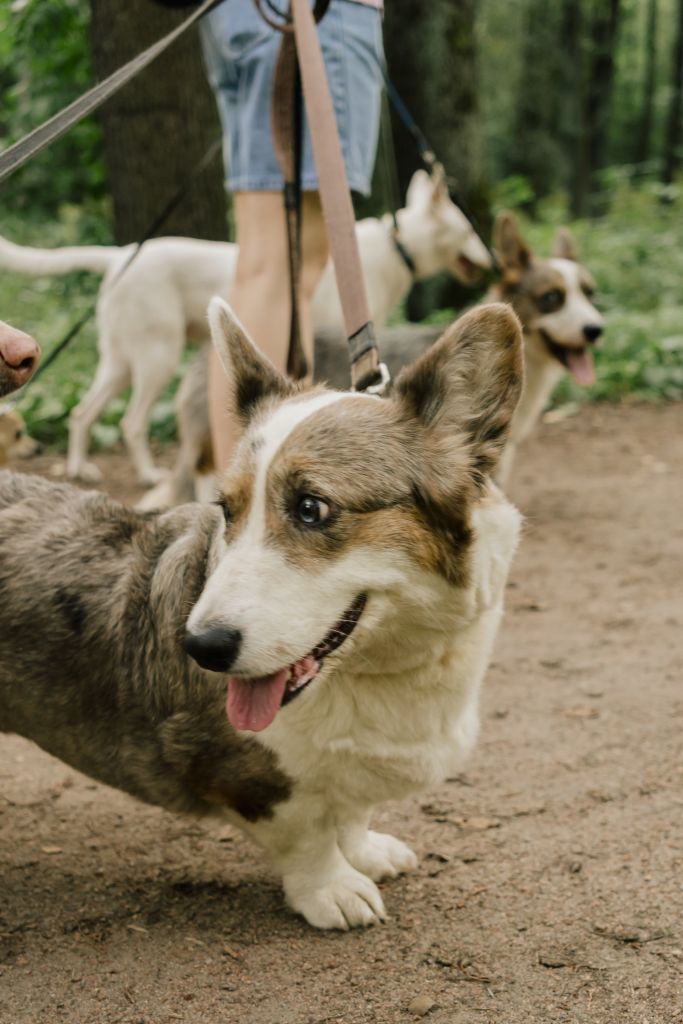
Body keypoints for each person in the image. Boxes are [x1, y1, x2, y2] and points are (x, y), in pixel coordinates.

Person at [199, 0, 384, 469]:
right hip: (315, 15)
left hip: (248, 15)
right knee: (282, 269)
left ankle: (235, 499)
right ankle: (247, 499)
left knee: (265, 264)